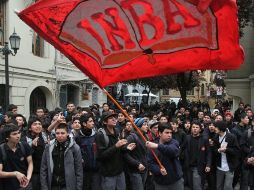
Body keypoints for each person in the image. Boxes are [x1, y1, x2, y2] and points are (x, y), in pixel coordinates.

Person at [95, 111, 135, 190]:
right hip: (108, 173)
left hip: (120, 171)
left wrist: (126, 148)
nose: (114, 119)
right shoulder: (100, 135)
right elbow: (100, 156)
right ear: (104, 122)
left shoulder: (117, 131)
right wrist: (116, 146)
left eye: (114, 118)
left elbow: (120, 150)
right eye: (110, 118)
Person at [40, 123, 83, 190]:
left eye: (62, 133)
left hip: (67, 186)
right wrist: (44, 187)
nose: (60, 135)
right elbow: (43, 169)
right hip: (52, 185)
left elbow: (79, 170)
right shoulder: (49, 147)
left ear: (68, 133)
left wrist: (78, 188)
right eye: (57, 133)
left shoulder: (75, 148)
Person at [146, 123, 184, 190]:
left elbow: (173, 151)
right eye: (166, 132)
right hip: (160, 183)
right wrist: (159, 170)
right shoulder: (152, 145)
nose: (169, 135)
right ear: (160, 133)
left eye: (170, 133)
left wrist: (157, 146)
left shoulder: (174, 142)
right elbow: (150, 163)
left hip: (176, 181)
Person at [0, 123, 33, 190]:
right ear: (7, 137)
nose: (18, 136)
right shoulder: (1, 149)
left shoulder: (24, 145)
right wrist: (15, 173)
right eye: (14, 134)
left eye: (18, 133)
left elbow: (30, 163)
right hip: (9, 186)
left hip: (26, 185)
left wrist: (28, 178)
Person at [183, 120, 211, 190]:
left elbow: (208, 153)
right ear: (191, 128)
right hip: (188, 166)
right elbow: (182, 149)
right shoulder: (187, 138)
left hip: (198, 166)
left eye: (197, 127)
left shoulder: (204, 139)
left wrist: (208, 165)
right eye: (193, 127)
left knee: (197, 186)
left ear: (200, 129)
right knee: (191, 185)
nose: (195, 129)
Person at [22, 117, 48, 190]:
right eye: (35, 124)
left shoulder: (44, 136)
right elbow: (24, 156)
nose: (38, 126)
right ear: (30, 128)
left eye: (39, 124)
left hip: (44, 170)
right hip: (33, 172)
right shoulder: (25, 139)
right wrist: (32, 146)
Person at [75, 114, 101, 190]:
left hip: (96, 170)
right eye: (90, 121)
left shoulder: (96, 135)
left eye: (93, 121)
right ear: (84, 124)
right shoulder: (78, 137)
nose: (93, 123)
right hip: (83, 171)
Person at [213, 121, 240, 190]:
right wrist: (218, 150)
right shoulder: (215, 137)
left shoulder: (231, 137)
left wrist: (226, 150)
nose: (214, 128)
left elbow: (237, 151)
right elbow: (213, 150)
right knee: (218, 186)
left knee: (228, 187)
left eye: (216, 127)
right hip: (219, 166)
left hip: (229, 166)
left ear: (221, 128)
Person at [124, 118, 149, 190]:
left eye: (147, 124)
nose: (147, 126)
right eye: (144, 125)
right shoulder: (132, 137)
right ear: (138, 126)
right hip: (135, 170)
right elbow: (125, 154)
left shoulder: (145, 136)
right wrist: (137, 164)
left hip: (145, 168)